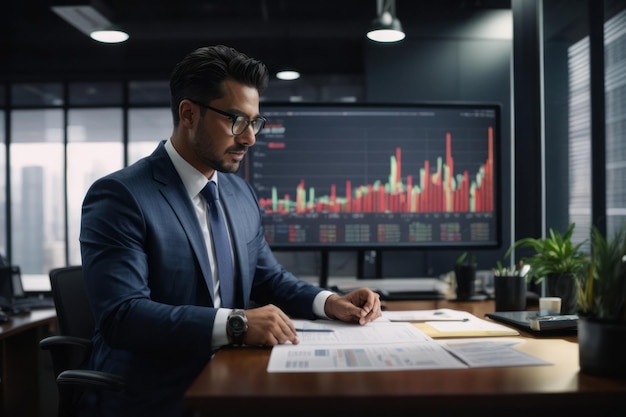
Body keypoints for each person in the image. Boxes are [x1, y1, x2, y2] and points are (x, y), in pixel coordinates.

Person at [79, 45, 382, 417]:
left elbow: (269, 279)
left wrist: (329, 301)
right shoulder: (122, 196)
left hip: (233, 378)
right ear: (189, 114)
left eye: (255, 122)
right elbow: (122, 317)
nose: (250, 138)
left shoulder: (239, 193)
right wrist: (237, 324)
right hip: (151, 396)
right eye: (236, 120)